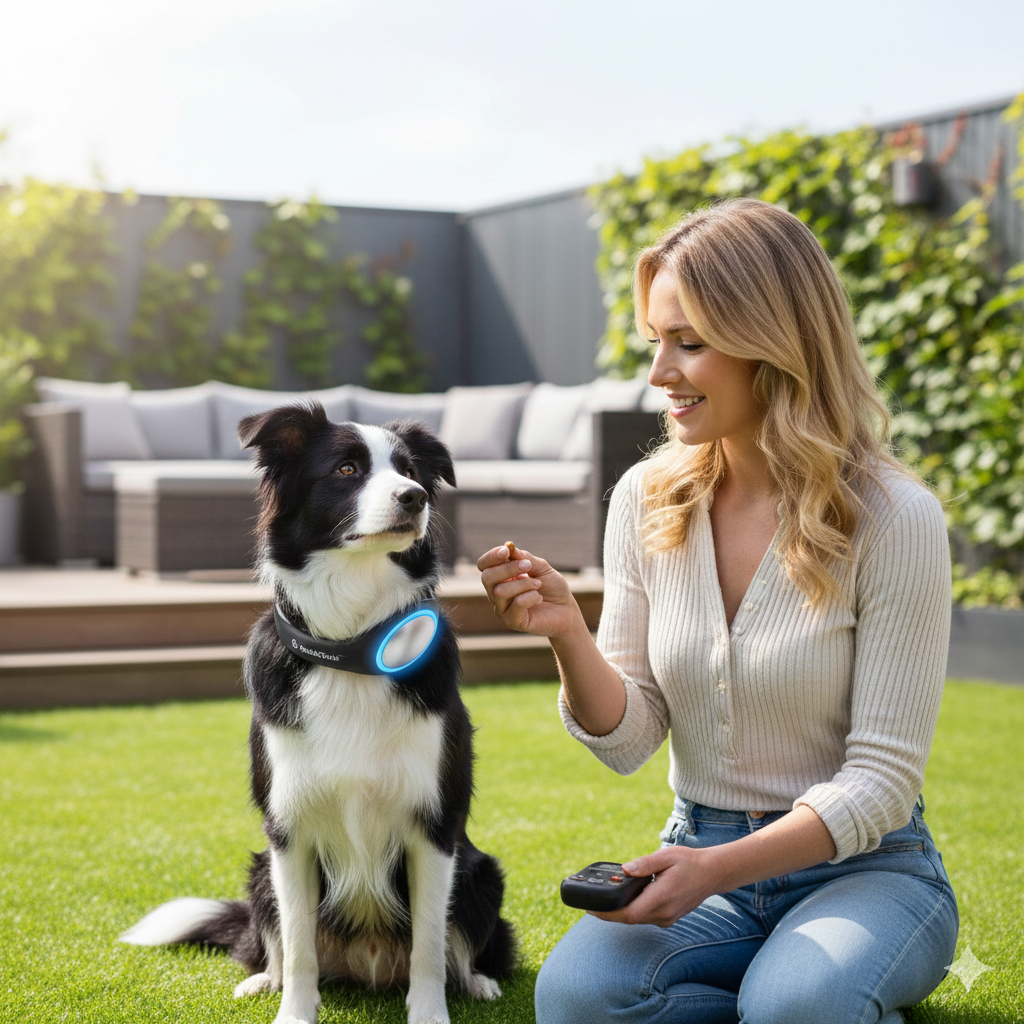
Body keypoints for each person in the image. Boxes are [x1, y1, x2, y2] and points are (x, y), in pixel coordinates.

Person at [477, 197, 958, 1024]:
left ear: (775, 343)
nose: (659, 373)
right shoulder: (644, 498)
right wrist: (567, 634)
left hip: (866, 869)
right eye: (655, 342)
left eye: (689, 343)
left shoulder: (894, 517)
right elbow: (628, 737)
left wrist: (718, 869)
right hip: (696, 849)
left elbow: (882, 782)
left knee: (796, 1006)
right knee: (575, 1001)